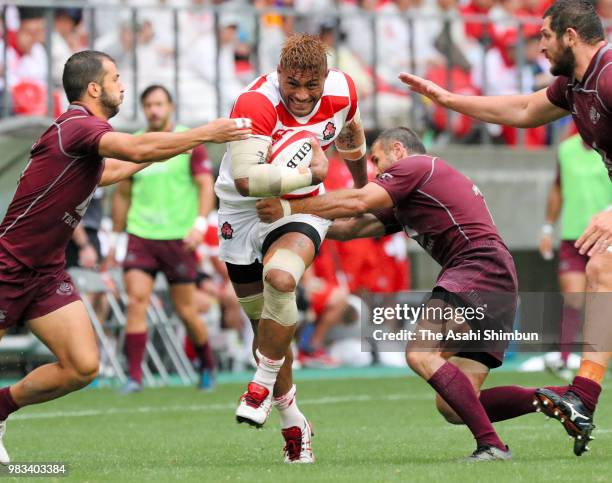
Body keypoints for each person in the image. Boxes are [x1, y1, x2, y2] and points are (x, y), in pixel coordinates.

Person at [256, 127, 577, 461]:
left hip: (477, 267)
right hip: (495, 276)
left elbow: (359, 200)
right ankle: (552, 397)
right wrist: (289, 224)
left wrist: (289, 208)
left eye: (377, 161)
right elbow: (352, 227)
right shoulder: (413, 193)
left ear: (398, 149)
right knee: (453, 405)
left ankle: (492, 445)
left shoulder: (416, 167)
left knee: (421, 353)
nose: (376, 171)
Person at [0, 50, 251, 464]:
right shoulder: (80, 124)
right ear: (94, 88)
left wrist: (167, 149)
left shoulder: (84, 138)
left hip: (44, 272)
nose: (123, 85)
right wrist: (205, 132)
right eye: (116, 77)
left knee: (82, 366)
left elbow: (115, 169)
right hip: (9, 266)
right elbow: (133, 150)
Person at [398, 0, 612, 455]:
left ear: (570, 36)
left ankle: (582, 397)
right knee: (602, 271)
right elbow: (521, 108)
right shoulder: (577, 85)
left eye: (545, 36)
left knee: (601, 271)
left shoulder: (610, 76)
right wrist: (450, 100)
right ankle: (582, 397)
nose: (539, 45)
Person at [214, 33, 368, 463]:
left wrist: (361, 190)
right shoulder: (255, 103)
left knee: (281, 278)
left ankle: (260, 382)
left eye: (311, 85)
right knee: (263, 325)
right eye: (292, 84)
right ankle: (293, 421)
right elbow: (247, 181)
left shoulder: (343, 90)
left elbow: (352, 134)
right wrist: (312, 171)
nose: (301, 95)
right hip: (240, 213)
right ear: (279, 74)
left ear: (326, 77)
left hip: (302, 206)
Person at [110, 84, 218, 392]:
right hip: (140, 235)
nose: (154, 110)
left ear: (170, 106)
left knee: (185, 310)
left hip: (178, 238)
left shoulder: (188, 141)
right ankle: (134, 377)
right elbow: (122, 193)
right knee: (136, 302)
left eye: (159, 104)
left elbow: (205, 185)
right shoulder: (134, 144)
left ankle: (207, 364)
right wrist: (117, 238)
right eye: (149, 105)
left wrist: (199, 225)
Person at [539, 133, 612, 380]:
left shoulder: (607, 146)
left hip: (606, 237)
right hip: (573, 236)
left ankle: (600, 359)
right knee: (573, 297)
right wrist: (548, 227)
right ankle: (564, 359)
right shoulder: (565, 150)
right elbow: (558, 189)